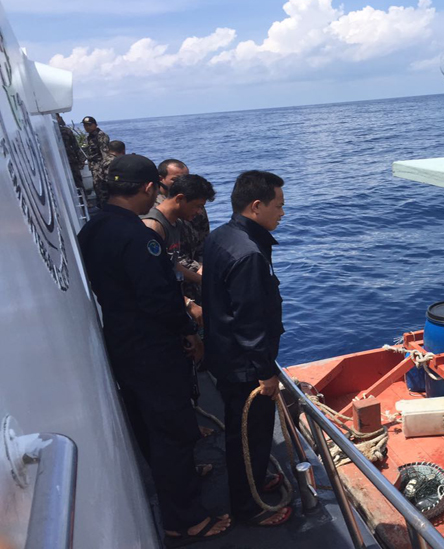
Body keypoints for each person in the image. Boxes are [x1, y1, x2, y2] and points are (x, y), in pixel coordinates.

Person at [78, 154, 231, 544]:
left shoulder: (92, 227)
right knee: (174, 432)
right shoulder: (139, 236)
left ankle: (175, 485)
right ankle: (186, 520)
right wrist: (189, 333)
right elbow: (159, 299)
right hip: (153, 349)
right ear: (149, 188)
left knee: (151, 427)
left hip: (123, 340)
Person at [202, 170, 290, 527]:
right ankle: (249, 506)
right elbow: (250, 324)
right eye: (278, 206)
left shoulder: (222, 236)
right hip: (245, 368)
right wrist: (266, 374)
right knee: (249, 436)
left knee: (245, 433)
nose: (283, 213)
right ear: (256, 206)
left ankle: (254, 480)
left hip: (223, 356)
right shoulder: (250, 254)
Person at [142, 174, 216, 325]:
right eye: (198, 206)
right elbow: (150, 280)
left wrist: (204, 280)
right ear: (180, 198)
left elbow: (172, 265)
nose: (200, 212)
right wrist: (188, 304)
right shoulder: (153, 227)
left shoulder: (176, 224)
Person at [81, 116, 112, 205]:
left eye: (89, 125)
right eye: (85, 125)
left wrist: (105, 169)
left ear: (95, 125)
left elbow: (105, 153)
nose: (87, 127)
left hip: (100, 167)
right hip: (94, 167)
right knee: (98, 189)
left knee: (103, 189)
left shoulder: (101, 136)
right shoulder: (89, 138)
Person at [57, 114, 85, 189]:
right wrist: (81, 160)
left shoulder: (65, 131)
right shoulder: (65, 131)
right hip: (66, 161)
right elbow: (76, 146)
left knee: (77, 182)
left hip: (69, 161)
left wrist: (80, 160)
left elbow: (76, 146)